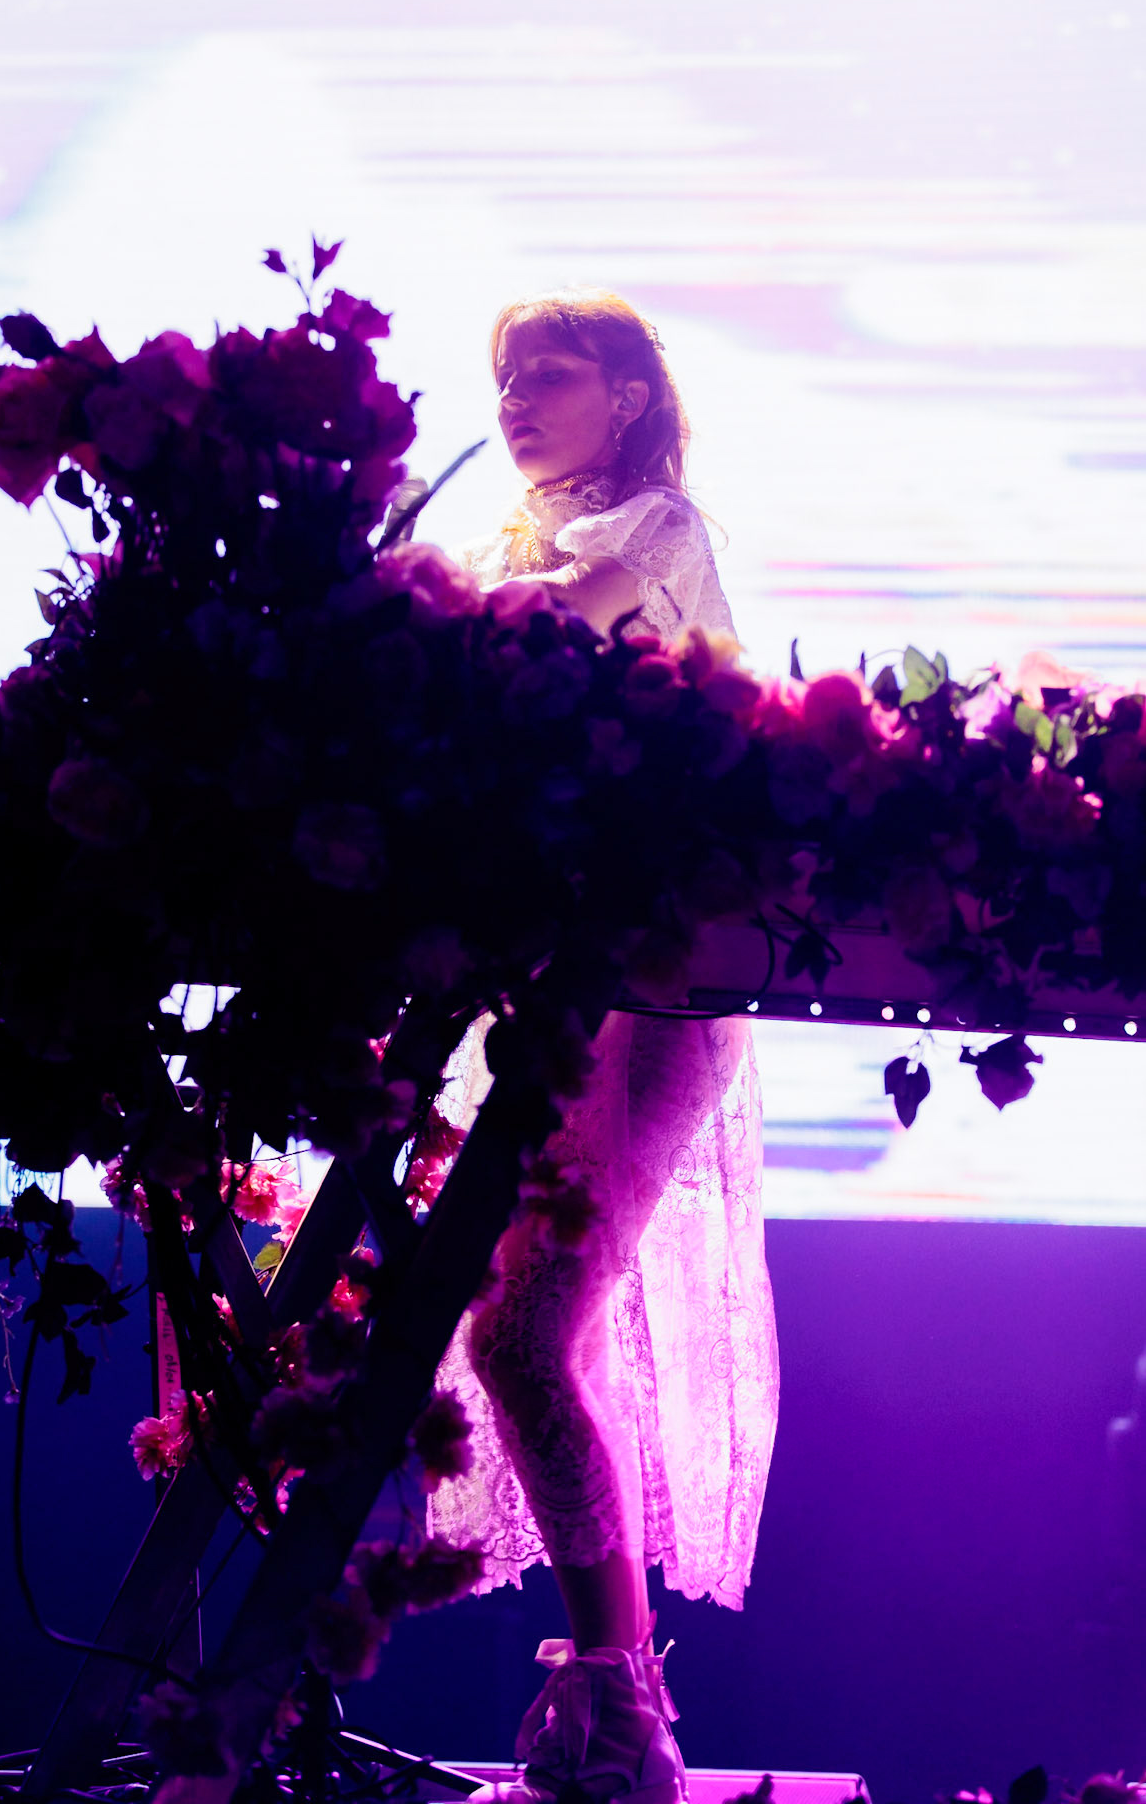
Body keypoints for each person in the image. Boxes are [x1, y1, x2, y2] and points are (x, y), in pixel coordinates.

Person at [428, 292, 779, 1804]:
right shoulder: (495, 545)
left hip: (645, 992)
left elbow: (532, 662)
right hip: (529, 983)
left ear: (628, 396)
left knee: (517, 1335)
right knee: (488, 1336)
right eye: (502, 377)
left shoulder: (652, 533)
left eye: (548, 375)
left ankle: (622, 1700)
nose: (513, 398)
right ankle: (605, 1694)